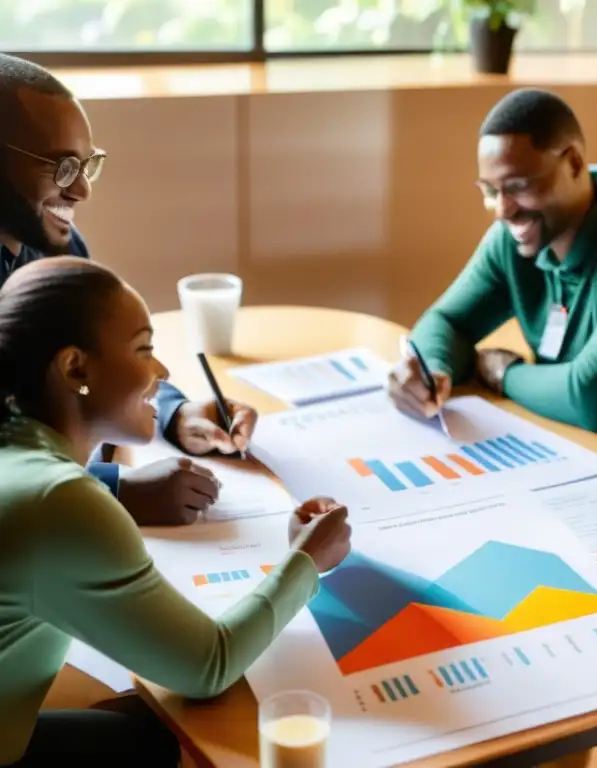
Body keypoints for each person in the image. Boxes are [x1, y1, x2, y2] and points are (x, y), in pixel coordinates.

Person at [0, 257, 353, 767]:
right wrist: (306, 560)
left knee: (148, 738)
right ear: (75, 367)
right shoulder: (60, 501)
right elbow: (207, 666)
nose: (161, 372)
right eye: (144, 349)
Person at [0, 52, 258, 526]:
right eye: (61, 169)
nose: (82, 192)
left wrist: (172, 413)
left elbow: (103, 354)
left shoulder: (56, 246)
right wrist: (114, 490)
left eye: (86, 165)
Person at [387, 88, 597, 433]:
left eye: (518, 186)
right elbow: (446, 322)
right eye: (490, 191)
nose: (503, 209)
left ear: (574, 163)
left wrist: (503, 372)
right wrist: (432, 371)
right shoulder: (514, 241)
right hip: (566, 441)